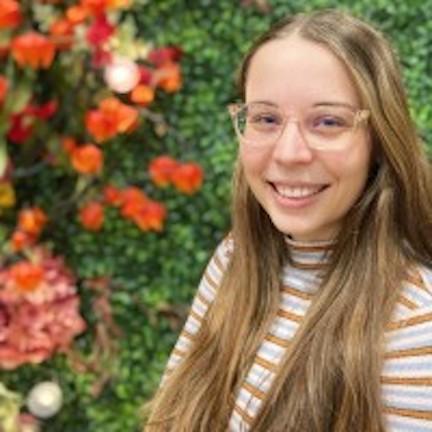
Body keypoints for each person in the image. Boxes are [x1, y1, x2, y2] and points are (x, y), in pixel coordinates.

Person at [144, 9, 432, 431]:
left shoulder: (415, 327)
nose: (289, 152)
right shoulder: (234, 258)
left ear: (379, 139)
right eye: (265, 119)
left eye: (328, 121)